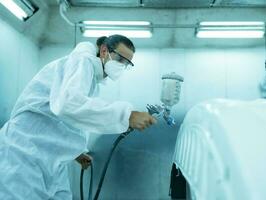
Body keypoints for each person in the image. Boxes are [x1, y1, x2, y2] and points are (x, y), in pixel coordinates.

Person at [0, 34, 156, 199]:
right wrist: (127, 115)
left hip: (48, 158)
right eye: (120, 59)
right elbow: (69, 105)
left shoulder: (89, 79)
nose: (122, 65)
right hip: (22, 153)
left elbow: (62, 117)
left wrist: (76, 152)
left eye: (127, 63)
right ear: (104, 50)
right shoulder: (81, 62)